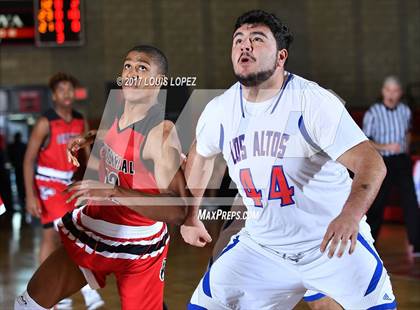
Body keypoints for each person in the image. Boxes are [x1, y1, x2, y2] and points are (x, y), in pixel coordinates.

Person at [181, 10, 396, 309]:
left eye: (257, 39)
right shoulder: (219, 109)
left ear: (281, 56)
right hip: (263, 247)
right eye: (238, 40)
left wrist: (350, 215)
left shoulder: (313, 101)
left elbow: (372, 164)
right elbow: (200, 157)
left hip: (329, 244)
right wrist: (191, 216)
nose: (245, 45)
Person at [15, 45, 189, 310]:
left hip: (138, 247)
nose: (131, 73)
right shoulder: (119, 114)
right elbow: (121, 140)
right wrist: (91, 136)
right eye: (128, 65)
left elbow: (179, 210)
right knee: (27, 304)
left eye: (142, 68)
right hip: (96, 227)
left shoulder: (160, 135)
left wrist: (111, 192)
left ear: (159, 81)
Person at [22, 72, 104, 309]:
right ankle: (76, 292)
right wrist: (30, 195)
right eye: (61, 90)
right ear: (53, 95)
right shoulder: (45, 122)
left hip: (69, 183)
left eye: (70, 89)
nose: (67, 94)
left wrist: (95, 182)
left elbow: (89, 159)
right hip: (48, 183)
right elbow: (28, 160)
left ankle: (64, 292)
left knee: (69, 235)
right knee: (61, 234)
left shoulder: (81, 120)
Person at [363, 76, 420, 255]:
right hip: (383, 162)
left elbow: (407, 133)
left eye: (395, 91)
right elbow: (366, 142)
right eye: (388, 90)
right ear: (383, 92)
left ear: (400, 93)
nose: (391, 94)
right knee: (378, 203)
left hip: (402, 160)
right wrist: (386, 146)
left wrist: (406, 149)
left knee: (410, 201)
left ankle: (417, 244)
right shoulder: (373, 112)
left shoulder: (405, 111)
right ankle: (369, 245)